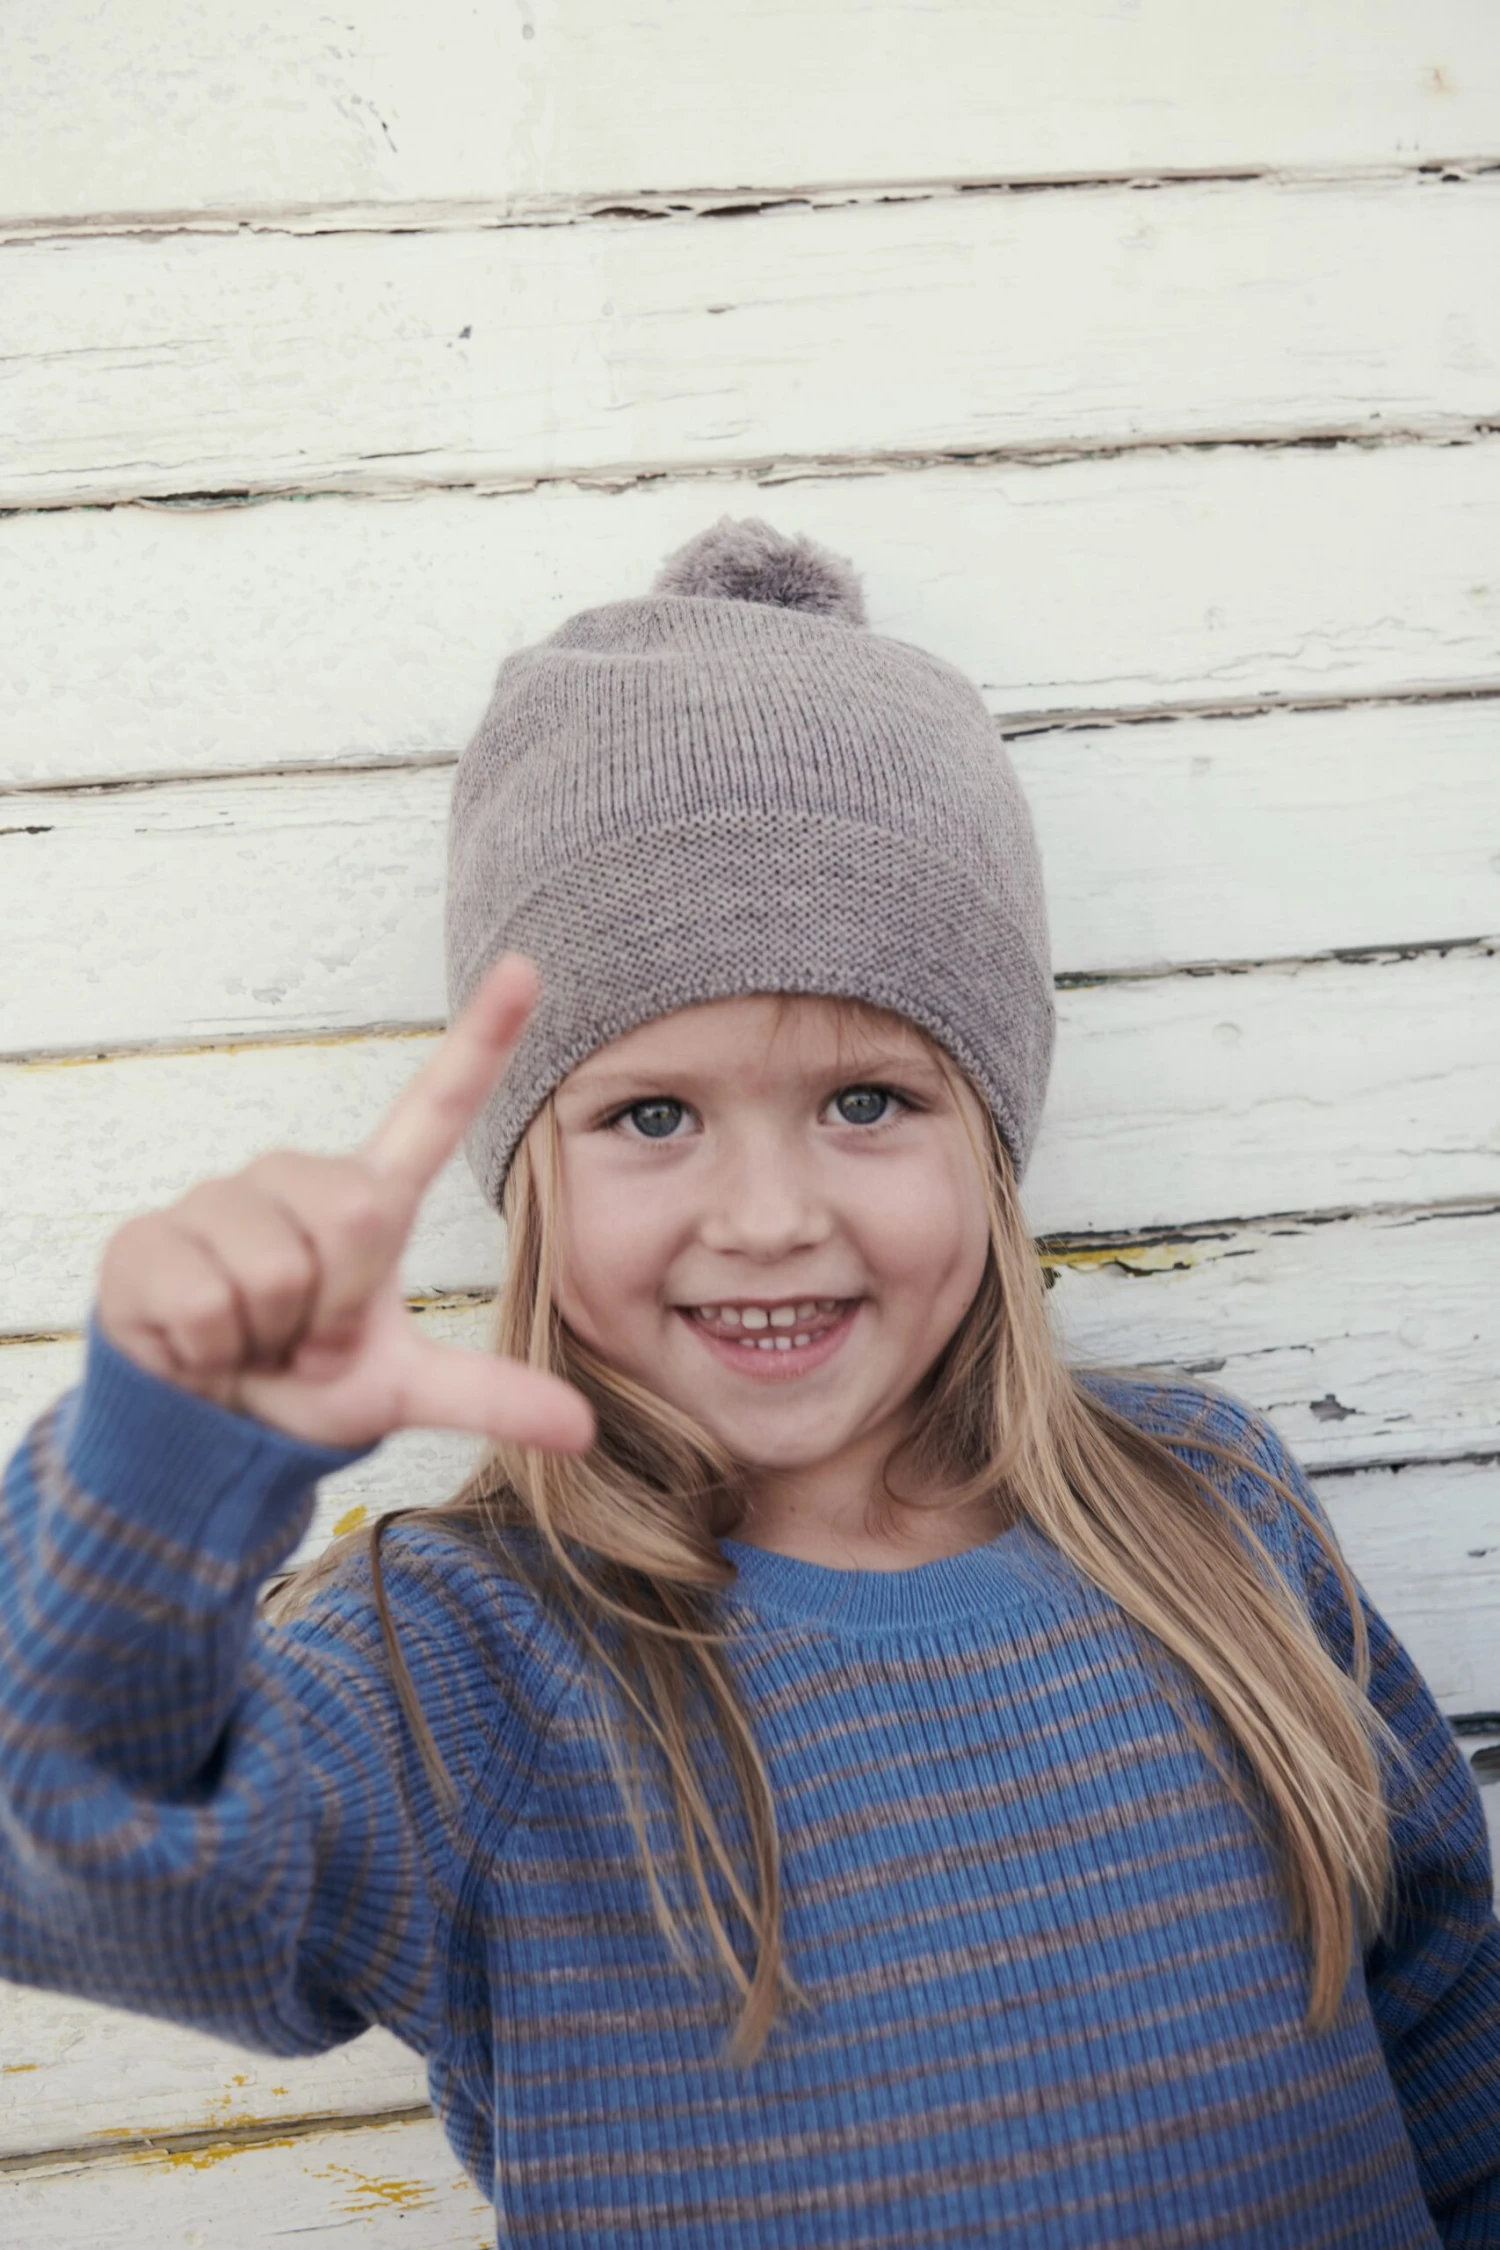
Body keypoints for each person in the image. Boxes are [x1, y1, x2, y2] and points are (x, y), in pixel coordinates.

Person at [1, 518, 1496, 2247]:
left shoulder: (1213, 1512)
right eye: (652, 1114)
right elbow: (72, 1855)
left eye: (868, 1098)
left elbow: (1451, 2038)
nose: (772, 1217)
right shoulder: (462, 1666)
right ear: (530, 1171)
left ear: (993, 1144)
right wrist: (165, 1457)